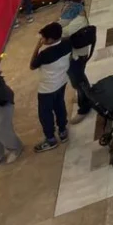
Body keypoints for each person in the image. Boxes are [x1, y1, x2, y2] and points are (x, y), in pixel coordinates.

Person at [29, 22, 72, 151]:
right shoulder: (67, 43)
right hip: (62, 81)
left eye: (43, 38)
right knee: (60, 105)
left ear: (51, 39)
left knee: (45, 113)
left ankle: (51, 139)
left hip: (47, 88)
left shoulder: (45, 54)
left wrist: (37, 47)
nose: (42, 40)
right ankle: (63, 132)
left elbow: (32, 65)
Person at [58, 0, 94, 120]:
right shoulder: (71, 10)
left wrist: (54, 31)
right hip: (73, 52)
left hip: (78, 53)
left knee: (78, 78)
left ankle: (85, 106)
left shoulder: (78, 17)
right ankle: (83, 93)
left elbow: (63, 32)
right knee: (78, 76)